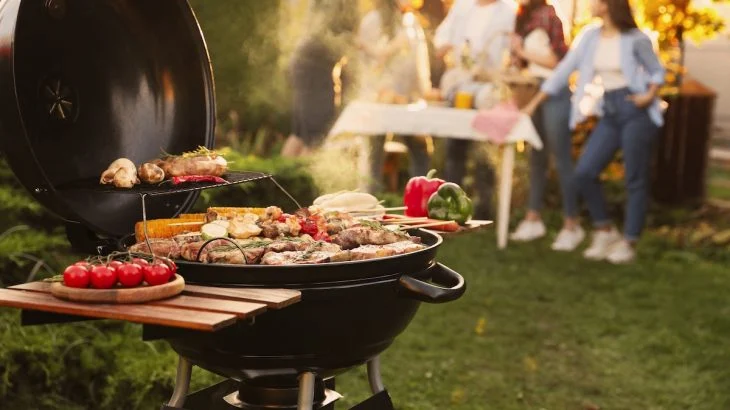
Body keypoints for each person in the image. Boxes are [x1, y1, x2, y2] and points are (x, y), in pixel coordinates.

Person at [522, 0, 666, 263]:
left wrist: (648, 96)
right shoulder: (589, 37)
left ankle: (629, 241)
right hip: (610, 110)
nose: (590, 4)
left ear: (607, 5)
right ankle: (604, 230)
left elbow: (657, 71)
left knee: (634, 178)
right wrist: (533, 104)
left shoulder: (635, 38)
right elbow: (562, 72)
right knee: (584, 172)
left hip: (636, 111)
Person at [507, 0, 584, 251]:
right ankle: (533, 218)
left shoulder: (549, 15)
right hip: (532, 92)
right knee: (536, 157)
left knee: (561, 159)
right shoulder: (523, 18)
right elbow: (524, 62)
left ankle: (572, 224)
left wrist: (522, 51)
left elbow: (557, 61)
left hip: (556, 94)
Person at [433, 0, 517, 219]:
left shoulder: (508, 11)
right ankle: (450, 207)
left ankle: (483, 209)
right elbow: (443, 34)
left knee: (485, 151)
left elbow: (514, 49)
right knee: (455, 149)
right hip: (461, 83)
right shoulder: (462, 6)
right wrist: (443, 45)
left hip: (489, 88)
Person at [357, 0, 433, 192]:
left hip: (407, 101)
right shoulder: (373, 20)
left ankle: (421, 200)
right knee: (374, 155)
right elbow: (368, 63)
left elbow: (420, 62)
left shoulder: (411, 21)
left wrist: (425, 90)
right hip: (379, 100)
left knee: (421, 151)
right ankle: (369, 204)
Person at [283, 0, 358, 157]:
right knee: (315, 138)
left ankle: (283, 179)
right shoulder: (340, 5)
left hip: (304, 64)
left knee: (299, 134)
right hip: (315, 72)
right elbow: (343, 39)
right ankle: (303, 180)